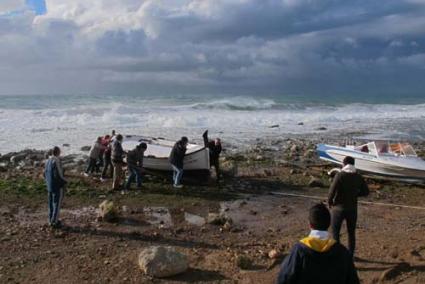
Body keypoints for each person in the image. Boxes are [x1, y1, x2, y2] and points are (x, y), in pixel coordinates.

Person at [276, 203, 359, 284]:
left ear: (310, 224)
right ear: (329, 224)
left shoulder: (299, 251)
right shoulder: (342, 252)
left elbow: (284, 279)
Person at [328, 156, 369, 258]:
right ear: (353, 165)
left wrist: (329, 202)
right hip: (352, 209)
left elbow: (332, 191)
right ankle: (350, 256)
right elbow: (366, 192)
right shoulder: (358, 176)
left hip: (338, 208)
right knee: (351, 233)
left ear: (344, 164)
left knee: (335, 232)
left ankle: (337, 255)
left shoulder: (340, 175)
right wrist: (355, 194)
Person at [44, 146, 67, 228]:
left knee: (50, 204)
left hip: (49, 185)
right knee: (57, 204)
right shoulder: (56, 161)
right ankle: (55, 222)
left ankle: (51, 219)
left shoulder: (47, 161)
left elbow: (45, 174)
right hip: (56, 185)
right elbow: (58, 174)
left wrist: (47, 183)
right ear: (58, 152)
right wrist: (64, 182)